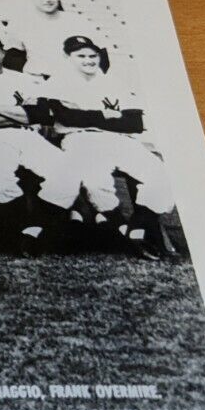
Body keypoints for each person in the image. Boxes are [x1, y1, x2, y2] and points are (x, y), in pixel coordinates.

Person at [41, 35, 174, 259]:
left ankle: (137, 229)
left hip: (121, 140)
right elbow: (68, 119)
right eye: (81, 56)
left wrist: (88, 116)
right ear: (68, 57)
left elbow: (134, 123)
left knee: (160, 173)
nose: (88, 60)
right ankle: (120, 226)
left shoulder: (114, 82)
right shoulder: (57, 82)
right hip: (81, 139)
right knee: (95, 182)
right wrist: (107, 115)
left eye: (92, 55)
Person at [0, 32, 79, 252]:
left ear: (3, 52)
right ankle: (23, 229)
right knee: (0, 182)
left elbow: (40, 115)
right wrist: (20, 112)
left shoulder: (21, 79)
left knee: (68, 173)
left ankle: (35, 226)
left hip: (26, 134)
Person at [7, 0, 109, 78]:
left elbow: (102, 54)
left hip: (73, 80)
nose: (47, 0)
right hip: (40, 80)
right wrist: (27, 75)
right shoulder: (21, 23)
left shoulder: (78, 20)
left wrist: (91, 78)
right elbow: (12, 56)